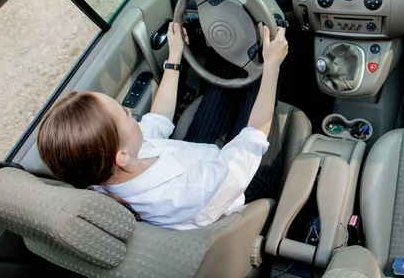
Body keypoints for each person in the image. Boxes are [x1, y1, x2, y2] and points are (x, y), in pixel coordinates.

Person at [37, 22, 288, 230]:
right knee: (260, 79)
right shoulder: (183, 195)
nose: (129, 110)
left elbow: (158, 118)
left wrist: (174, 55)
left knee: (222, 66)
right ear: (121, 155)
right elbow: (254, 135)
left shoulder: (109, 167)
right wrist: (272, 65)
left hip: (195, 160)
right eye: (125, 114)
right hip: (237, 191)